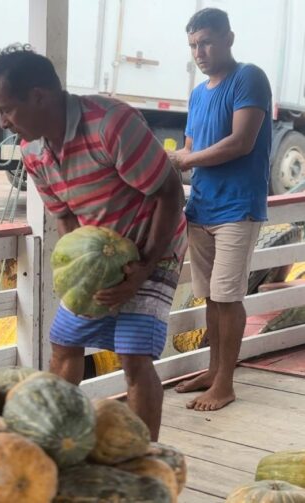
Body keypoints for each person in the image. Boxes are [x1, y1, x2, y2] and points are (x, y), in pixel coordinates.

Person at [0, 44, 187, 440]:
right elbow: (66, 216)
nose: (2, 122)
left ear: (38, 96)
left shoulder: (111, 125)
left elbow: (170, 192)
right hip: (100, 253)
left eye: (6, 109)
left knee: (133, 356)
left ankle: (143, 461)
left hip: (153, 245)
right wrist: (83, 274)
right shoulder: (32, 151)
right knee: (64, 344)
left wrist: (143, 267)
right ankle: (55, 436)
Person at [168, 8, 272, 411]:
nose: (200, 51)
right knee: (212, 298)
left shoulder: (248, 77)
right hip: (202, 208)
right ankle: (214, 371)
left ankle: (226, 383)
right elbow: (191, 148)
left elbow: (240, 142)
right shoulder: (198, 93)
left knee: (228, 298)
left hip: (237, 208)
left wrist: (185, 161)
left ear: (229, 38)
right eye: (194, 45)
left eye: (208, 41)